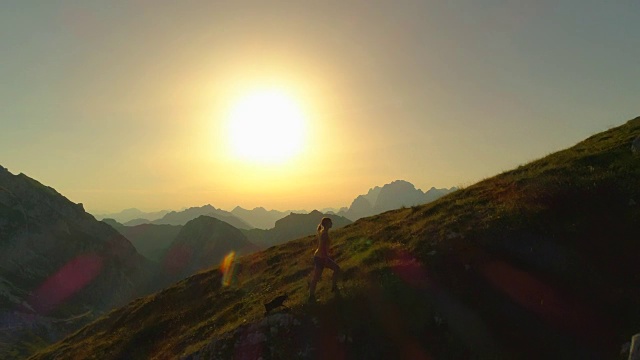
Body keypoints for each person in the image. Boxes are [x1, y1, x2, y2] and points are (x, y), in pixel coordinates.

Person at [308, 217, 341, 302]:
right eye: (330, 222)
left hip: (319, 257)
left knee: (316, 277)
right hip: (321, 258)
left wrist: (329, 250)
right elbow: (322, 247)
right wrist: (326, 257)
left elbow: (323, 246)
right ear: (326, 224)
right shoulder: (324, 234)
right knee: (336, 269)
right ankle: (333, 288)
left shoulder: (323, 232)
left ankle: (312, 296)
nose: (332, 223)